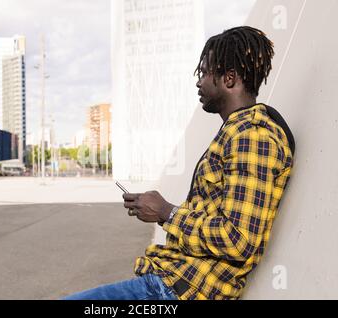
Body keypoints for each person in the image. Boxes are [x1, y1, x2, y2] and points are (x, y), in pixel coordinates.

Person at [62, 26, 295, 300]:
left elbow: (238, 240)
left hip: (177, 293)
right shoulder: (237, 132)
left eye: (205, 73)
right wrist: (159, 211)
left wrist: (167, 212)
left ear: (229, 79)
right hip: (169, 281)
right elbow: (215, 217)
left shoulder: (252, 137)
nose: (199, 82)